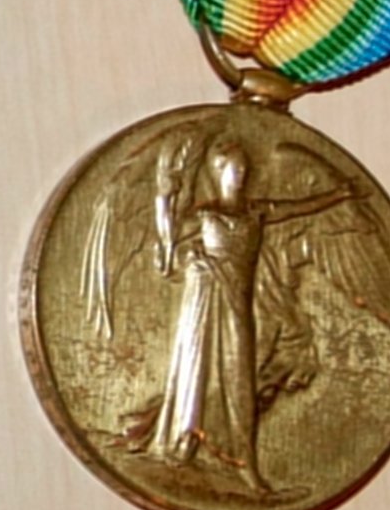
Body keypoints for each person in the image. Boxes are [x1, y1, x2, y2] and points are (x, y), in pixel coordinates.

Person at [126, 133, 358, 490]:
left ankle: (244, 462)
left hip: (237, 303)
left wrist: (340, 195)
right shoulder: (203, 214)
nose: (240, 175)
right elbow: (170, 252)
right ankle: (185, 441)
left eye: (243, 169)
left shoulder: (257, 210)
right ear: (218, 173)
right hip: (204, 299)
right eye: (233, 169)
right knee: (197, 368)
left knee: (239, 380)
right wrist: (191, 255)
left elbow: (300, 207)